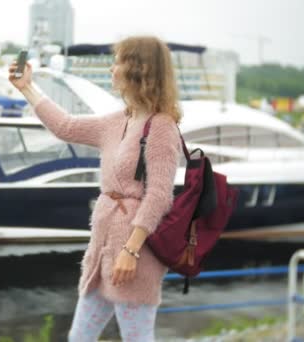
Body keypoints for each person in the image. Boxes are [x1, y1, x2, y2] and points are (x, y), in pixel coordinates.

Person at [9, 36, 182, 342]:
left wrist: (131, 251)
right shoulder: (119, 120)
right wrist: (27, 88)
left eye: (118, 62)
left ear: (138, 69)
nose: (111, 70)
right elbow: (66, 126)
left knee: (137, 339)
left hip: (134, 257)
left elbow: (158, 195)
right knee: (79, 337)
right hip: (102, 253)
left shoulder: (161, 127)